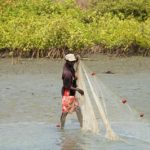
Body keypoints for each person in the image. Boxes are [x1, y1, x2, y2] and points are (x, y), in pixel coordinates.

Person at [60, 53, 84, 129]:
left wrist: (77, 59)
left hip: (71, 93)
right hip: (67, 94)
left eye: (73, 61)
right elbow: (67, 86)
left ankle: (82, 126)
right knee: (65, 112)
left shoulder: (68, 65)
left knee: (77, 109)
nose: (73, 62)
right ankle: (62, 128)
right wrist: (78, 89)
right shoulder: (67, 74)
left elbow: (74, 61)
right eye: (71, 61)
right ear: (67, 61)